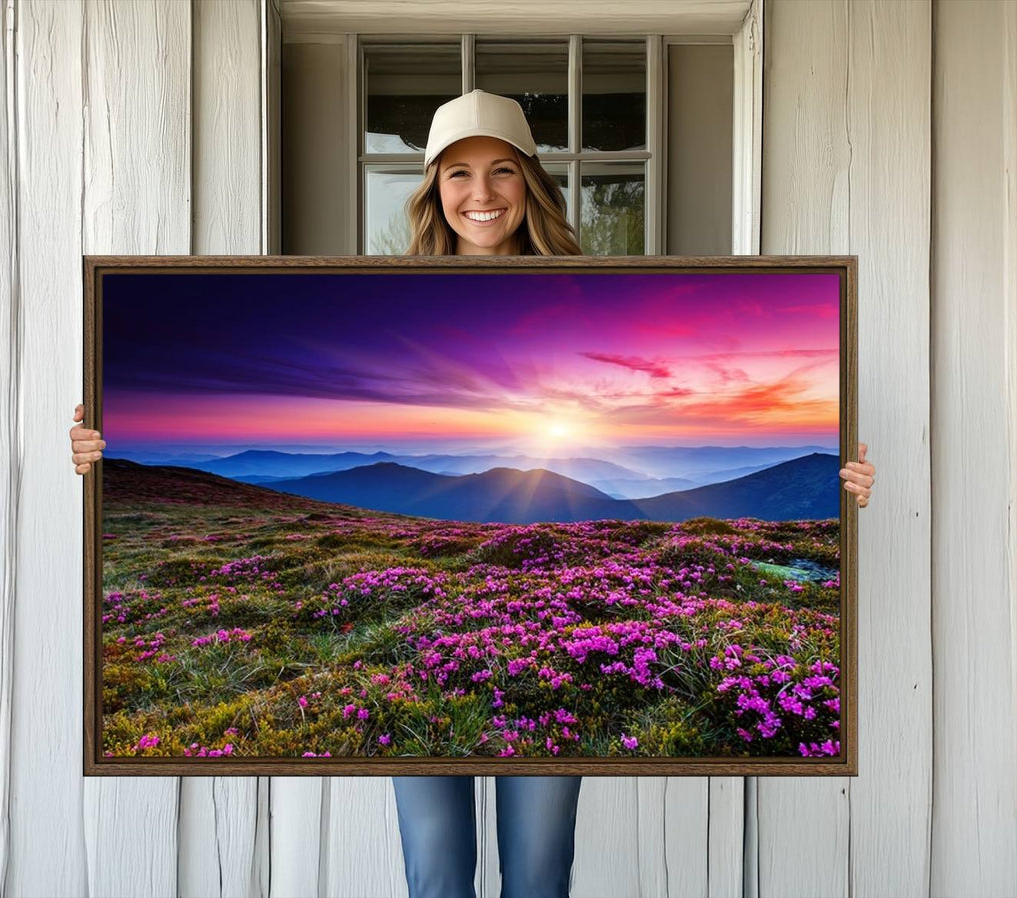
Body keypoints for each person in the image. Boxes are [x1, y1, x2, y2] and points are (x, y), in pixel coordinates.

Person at [68, 90, 877, 898]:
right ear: (432, 188)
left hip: (559, 628)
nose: (481, 194)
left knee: (537, 871)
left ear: (530, 181)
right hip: (436, 637)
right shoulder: (384, 298)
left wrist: (842, 485)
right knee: (437, 871)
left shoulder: (594, 292)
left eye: (501, 171)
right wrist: (103, 447)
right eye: (458, 173)